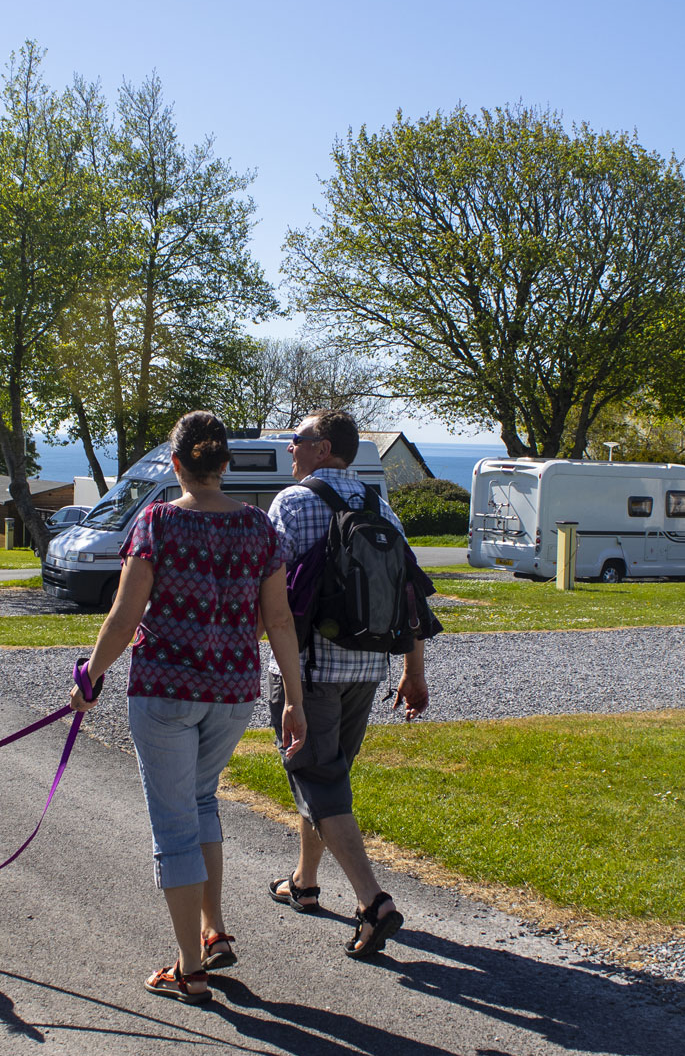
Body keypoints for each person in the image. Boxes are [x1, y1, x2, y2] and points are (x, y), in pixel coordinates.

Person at [72, 411, 306, 1005]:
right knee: (201, 801)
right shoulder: (258, 527)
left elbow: (124, 616)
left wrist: (89, 678)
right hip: (232, 695)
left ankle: (190, 970)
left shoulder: (157, 522)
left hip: (165, 693)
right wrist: (295, 700)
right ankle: (212, 928)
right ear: (225, 463)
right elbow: (280, 620)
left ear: (175, 463)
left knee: (174, 823)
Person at [265, 409, 429, 958]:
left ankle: (372, 902)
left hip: (308, 671)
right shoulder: (378, 505)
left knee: (318, 778)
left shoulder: (293, 503)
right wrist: (413, 670)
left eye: (297, 439)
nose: (290, 447)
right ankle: (304, 882)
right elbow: (409, 592)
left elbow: (270, 593)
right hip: (367, 667)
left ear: (323, 448)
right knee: (327, 780)